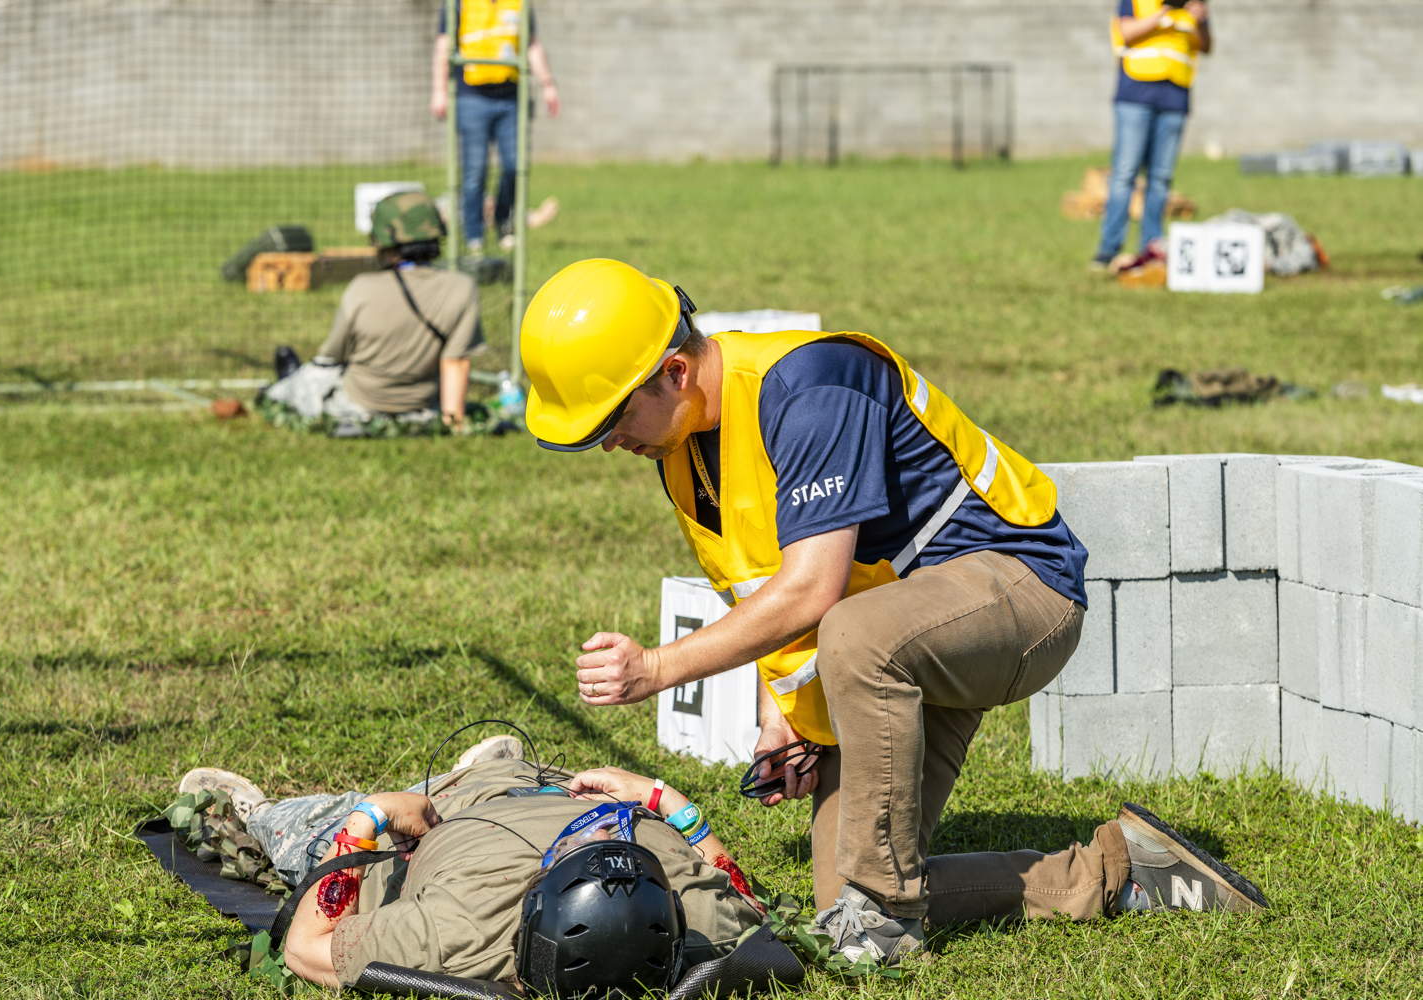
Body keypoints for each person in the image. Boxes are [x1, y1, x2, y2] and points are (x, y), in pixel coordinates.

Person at [518, 258, 1267, 966]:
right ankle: (1115, 871)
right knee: (832, 896)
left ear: (674, 372)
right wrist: (787, 716)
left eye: (610, 420)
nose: (610, 443)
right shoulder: (683, 450)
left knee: (860, 673)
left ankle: (884, 912)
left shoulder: (807, 387)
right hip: (899, 631)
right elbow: (759, 590)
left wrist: (656, 668)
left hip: (1023, 593)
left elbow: (813, 594)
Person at [176, 736, 767, 994]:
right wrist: (662, 798)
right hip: (547, 785)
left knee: (309, 838)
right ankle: (481, 768)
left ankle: (260, 816)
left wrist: (370, 819)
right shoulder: (695, 916)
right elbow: (748, 902)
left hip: (450, 813)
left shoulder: (456, 931)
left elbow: (307, 947)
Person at [260, 191, 484, 434]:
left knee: (308, 378)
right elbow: (456, 361)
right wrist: (453, 422)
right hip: (421, 405)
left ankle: (288, 381)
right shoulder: (462, 288)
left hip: (359, 402)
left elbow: (333, 354)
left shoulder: (363, 287)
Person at [431, 0, 561, 255]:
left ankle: (504, 223)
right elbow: (443, 46)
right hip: (471, 97)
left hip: (510, 97)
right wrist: (439, 91)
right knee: (474, 172)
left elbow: (531, 44)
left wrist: (548, 84)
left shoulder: (519, 4)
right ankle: (474, 237)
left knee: (515, 166)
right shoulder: (458, 4)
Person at [1092, 0, 1212, 274]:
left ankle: (1152, 249)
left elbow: (1205, 46)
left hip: (1175, 99)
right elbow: (1125, 33)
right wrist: (1163, 14)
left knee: (1161, 179)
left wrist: (1200, 21)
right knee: (1124, 174)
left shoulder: (1195, 4)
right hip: (1136, 95)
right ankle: (1108, 250)